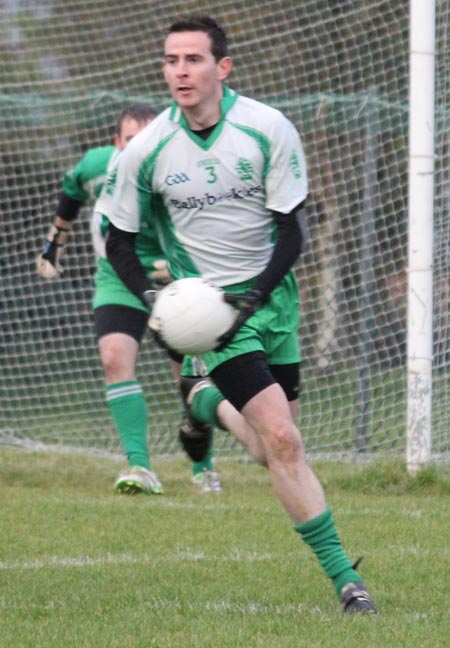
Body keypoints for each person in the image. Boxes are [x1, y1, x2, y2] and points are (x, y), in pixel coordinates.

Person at [105, 16, 377, 613]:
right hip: (212, 314)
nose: (180, 71)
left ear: (222, 68)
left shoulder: (266, 128)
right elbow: (117, 238)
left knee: (269, 448)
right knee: (282, 437)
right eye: (171, 60)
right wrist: (155, 301)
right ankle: (347, 583)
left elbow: (293, 228)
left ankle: (203, 403)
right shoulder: (147, 151)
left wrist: (258, 297)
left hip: (273, 301)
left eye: (193, 60)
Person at [36, 103, 222, 495]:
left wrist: (185, 269)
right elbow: (70, 194)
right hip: (118, 277)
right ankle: (140, 467)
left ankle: (203, 468)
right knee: (113, 359)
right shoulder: (96, 166)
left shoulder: (181, 172)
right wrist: (54, 246)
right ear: (116, 143)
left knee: (187, 376)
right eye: (132, 142)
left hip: (172, 281)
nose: (140, 150)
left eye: (149, 141)